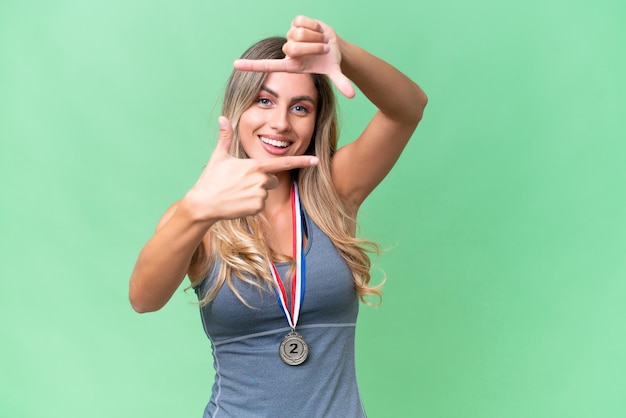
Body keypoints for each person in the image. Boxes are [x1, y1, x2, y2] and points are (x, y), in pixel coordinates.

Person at [129, 15, 427, 418]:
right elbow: (144, 299)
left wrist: (344, 53)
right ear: (239, 109)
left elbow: (408, 108)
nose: (280, 122)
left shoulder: (334, 191)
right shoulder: (197, 213)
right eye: (264, 101)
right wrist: (197, 210)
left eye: (300, 107)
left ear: (315, 121)